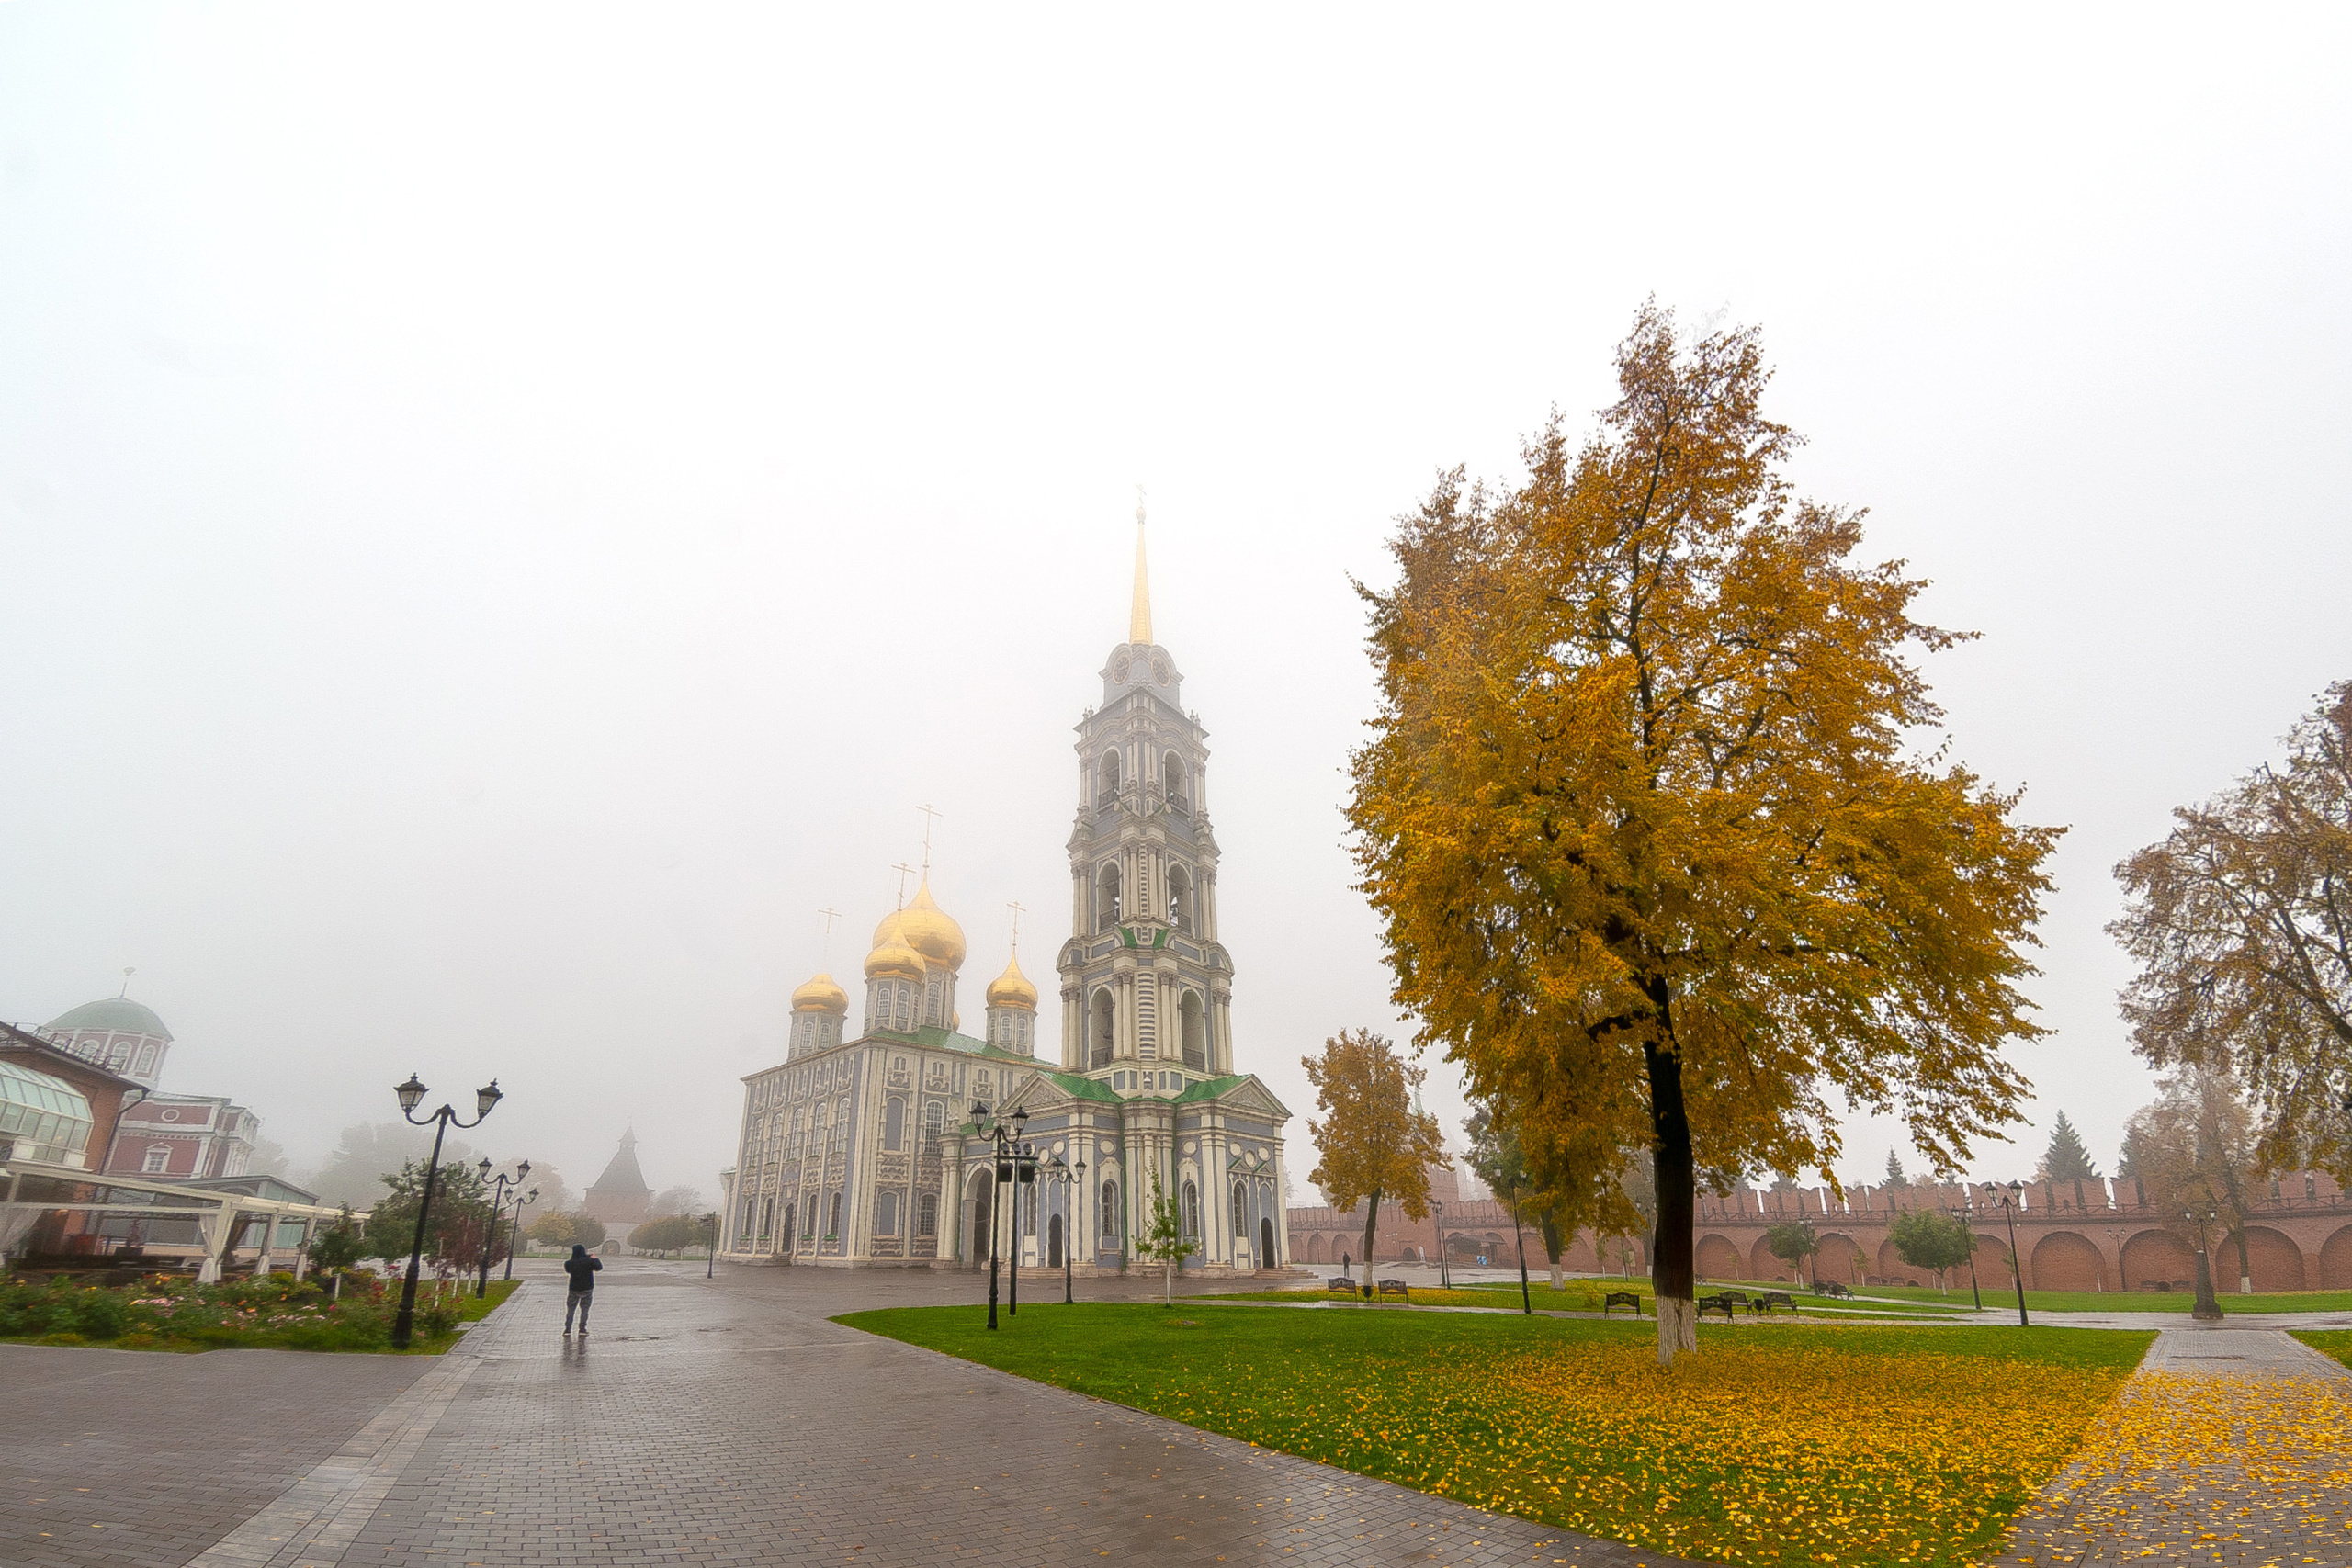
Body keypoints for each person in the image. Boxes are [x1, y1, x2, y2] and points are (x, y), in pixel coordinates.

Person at [562, 1243, 601, 1335]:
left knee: (571, 1309)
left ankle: (568, 1329)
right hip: (587, 1288)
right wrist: (594, 1259)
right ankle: (582, 1329)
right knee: (585, 1309)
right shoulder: (589, 1262)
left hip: (574, 1288)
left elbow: (568, 1270)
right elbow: (599, 1267)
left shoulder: (569, 1263)